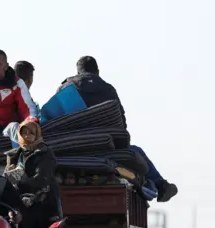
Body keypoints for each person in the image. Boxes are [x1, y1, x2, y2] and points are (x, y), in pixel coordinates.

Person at [58, 56, 177, 202]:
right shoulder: (107, 89)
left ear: (77, 72)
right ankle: (161, 185)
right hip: (107, 148)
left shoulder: (64, 89)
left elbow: (54, 118)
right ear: (98, 71)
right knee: (136, 151)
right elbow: (121, 123)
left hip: (69, 150)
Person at [4, 120, 60, 228]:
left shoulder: (44, 153)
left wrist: (21, 179)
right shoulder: (14, 155)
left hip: (41, 203)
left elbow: (42, 179)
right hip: (20, 203)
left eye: (30, 133)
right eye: (24, 133)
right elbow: (8, 178)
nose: (27, 136)